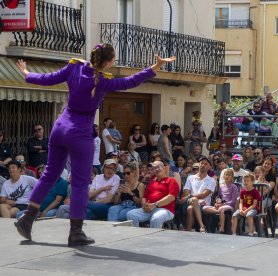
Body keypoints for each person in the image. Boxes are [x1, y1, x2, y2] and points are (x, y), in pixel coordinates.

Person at [14, 43, 175, 246]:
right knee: (81, 183)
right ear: (107, 62)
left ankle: (28, 218)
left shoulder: (74, 67)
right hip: (80, 133)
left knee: (48, 175)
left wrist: (27, 73)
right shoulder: (104, 81)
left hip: (60, 128)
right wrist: (155, 67)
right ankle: (75, 233)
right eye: (114, 59)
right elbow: (130, 81)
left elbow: (48, 79)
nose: (114, 62)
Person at [126, 160, 179, 228]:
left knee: (156, 218)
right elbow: (144, 197)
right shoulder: (152, 183)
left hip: (165, 209)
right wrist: (144, 205)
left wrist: (155, 205)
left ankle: (153, 238)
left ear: (163, 168)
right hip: (148, 209)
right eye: (154, 168)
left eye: (158, 167)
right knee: (130, 214)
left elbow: (171, 197)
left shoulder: (171, 180)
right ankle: (136, 235)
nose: (156, 169)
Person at [181, 156, 216, 233]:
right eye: (201, 163)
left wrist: (193, 198)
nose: (202, 165)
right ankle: (202, 226)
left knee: (190, 208)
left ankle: (188, 231)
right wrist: (194, 199)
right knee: (193, 200)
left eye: (205, 164)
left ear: (210, 167)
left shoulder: (211, 180)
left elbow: (204, 195)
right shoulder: (190, 177)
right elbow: (186, 192)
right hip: (190, 200)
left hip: (203, 204)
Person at [203, 169, 238, 234]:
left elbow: (233, 201)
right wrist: (217, 202)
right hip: (221, 205)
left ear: (232, 177)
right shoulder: (221, 186)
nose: (227, 176)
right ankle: (208, 227)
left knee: (221, 209)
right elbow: (219, 196)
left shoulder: (234, 187)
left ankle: (222, 229)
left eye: (229, 175)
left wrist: (223, 204)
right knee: (204, 208)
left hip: (229, 206)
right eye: (226, 174)